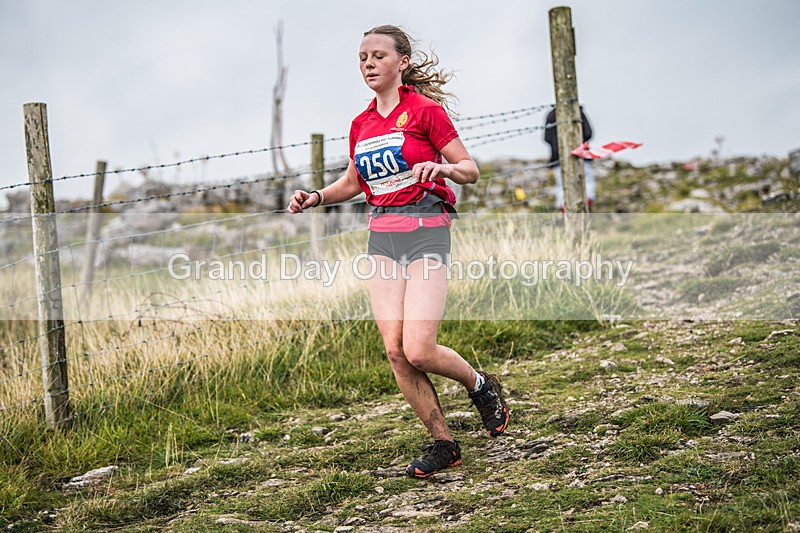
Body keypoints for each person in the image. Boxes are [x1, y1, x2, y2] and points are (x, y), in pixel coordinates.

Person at [287, 25, 509, 478]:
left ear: (402, 62)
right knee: (395, 351)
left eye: (378, 56)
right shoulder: (361, 124)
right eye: (362, 57)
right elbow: (353, 183)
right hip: (383, 237)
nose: (368, 64)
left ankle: (481, 385)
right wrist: (316, 196)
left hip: (427, 229)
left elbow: (470, 170)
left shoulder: (425, 112)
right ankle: (444, 444)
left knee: (420, 348)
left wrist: (440, 166)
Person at [544, 106, 595, 211]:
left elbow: (546, 138)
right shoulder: (578, 112)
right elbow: (588, 133)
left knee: (561, 184)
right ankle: (587, 202)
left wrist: (556, 146)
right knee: (587, 180)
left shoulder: (551, 116)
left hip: (559, 157)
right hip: (581, 155)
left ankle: (564, 208)